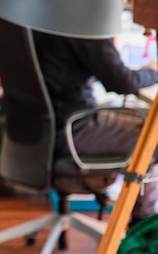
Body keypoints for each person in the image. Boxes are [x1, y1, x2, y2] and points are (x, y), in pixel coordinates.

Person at [32, 29, 158, 221]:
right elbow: (123, 81)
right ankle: (143, 230)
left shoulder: (43, 13)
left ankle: (142, 225)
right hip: (72, 129)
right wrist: (153, 71)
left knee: (144, 127)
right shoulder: (82, 20)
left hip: (41, 130)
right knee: (152, 136)